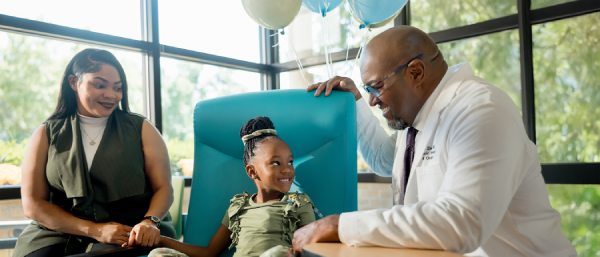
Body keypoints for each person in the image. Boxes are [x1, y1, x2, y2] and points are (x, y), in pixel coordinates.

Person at [292, 26, 577, 257]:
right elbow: (384, 159)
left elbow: (461, 223)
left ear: (416, 72)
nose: (372, 99)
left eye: (376, 87)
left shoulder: (481, 110)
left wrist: (340, 225)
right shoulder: (417, 118)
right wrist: (355, 101)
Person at [14, 48, 176, 257]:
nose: (111, 95)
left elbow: (164, 188)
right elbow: (33, 204)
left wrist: (150, 221)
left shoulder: (142, 128)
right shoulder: (46, 133)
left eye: (118, 88)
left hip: (130, 230)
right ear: (74, 82)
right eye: (99, 85)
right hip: (59, 232)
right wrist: (95, 230)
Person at [148, 116, 316, 257]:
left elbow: (312, 247)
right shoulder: (238, 206)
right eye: (276, 163)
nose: (287, 169)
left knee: (279, 253)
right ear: (252, 172)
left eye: (290, 162)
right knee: (159, 254)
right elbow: (209, 252)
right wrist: (162, 240)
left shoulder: (297, 204)